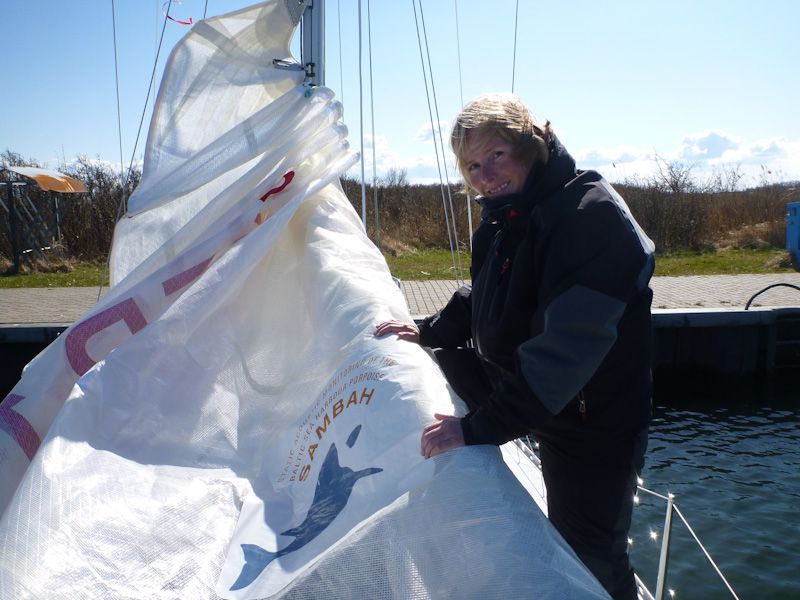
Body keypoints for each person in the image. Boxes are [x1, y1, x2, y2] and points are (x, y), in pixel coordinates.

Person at [375, 92, 654, 600]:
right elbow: (483, 294)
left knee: (588, 550)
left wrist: (477, 429)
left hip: (591, 425)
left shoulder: (592, 218)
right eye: (473, 165)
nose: (485, 174)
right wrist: (429, 331)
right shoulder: (506, 215)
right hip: (532, 399)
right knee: (427, 367)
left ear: (530, 144)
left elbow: (564, 354)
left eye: (495, 156)